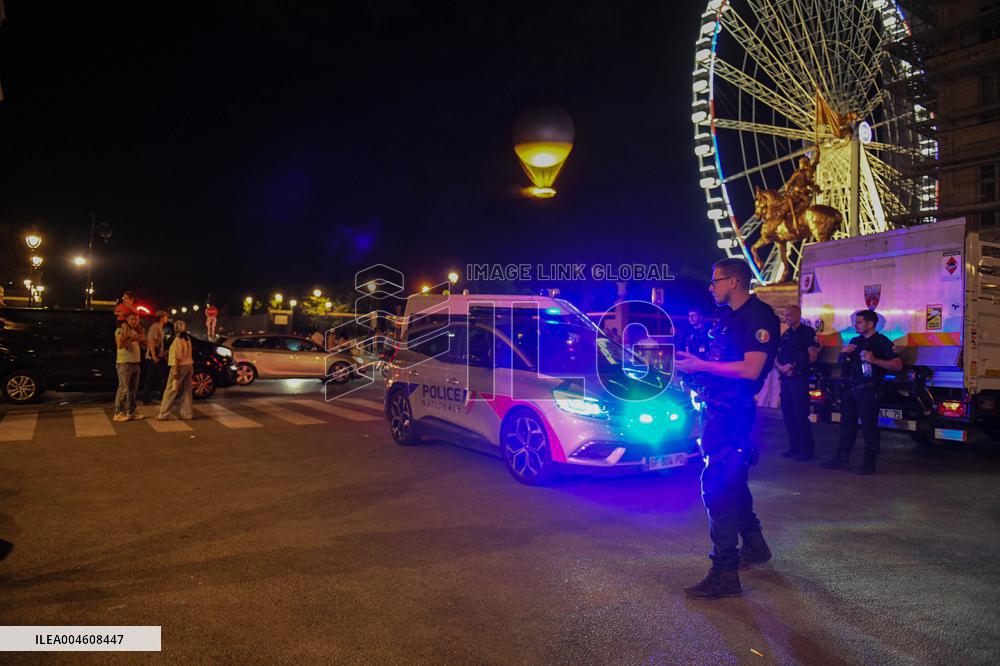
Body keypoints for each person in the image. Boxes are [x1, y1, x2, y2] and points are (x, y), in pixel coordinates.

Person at [674, 258, 779, 599]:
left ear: (733, 281)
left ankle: (724, 572)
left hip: (732, 414)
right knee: (733, 481)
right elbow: (718, 363)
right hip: (715, 410)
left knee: (717, 486)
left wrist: (701, 364)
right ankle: (756, 545)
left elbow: (751, 369)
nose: (711, 287)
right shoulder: (726, 318)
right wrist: (690, 368)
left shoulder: (759, 316)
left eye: (715, 281)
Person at [821, 310, 901, 475]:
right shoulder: (855, 341)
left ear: (870, 324)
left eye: (859, 322)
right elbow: (844, 366)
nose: (855, 325)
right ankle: (842, 459)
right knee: (847, 427)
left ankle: (869, 463)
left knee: (869, 428)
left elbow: (897, 365)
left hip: (868, 391)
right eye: (855, 322)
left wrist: (874, 360)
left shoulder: (881, 342)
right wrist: (843, 355)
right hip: (850, 390)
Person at [776, 305, 821, 460]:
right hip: (786, 379)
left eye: (789, 315)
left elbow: (812, 356)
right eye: (785, 315)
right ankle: (794, 447)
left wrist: (793, 365)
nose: (786, 317)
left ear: (798, 315)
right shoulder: (786, 335)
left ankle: (807, 450)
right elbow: (777, 356)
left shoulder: (807, 332)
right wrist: (781, 368)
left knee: (800, 415)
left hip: (799, 378)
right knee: (788, 414)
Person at [158, 320, 194, 420]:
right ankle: (187, 414)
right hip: (189, 365)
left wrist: (175, 371)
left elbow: (177, 357)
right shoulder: (187, 339)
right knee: (187, 390)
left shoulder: (177, 340)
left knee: (170, 390)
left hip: (179, 366)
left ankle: (164, 414)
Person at [114, 312, 146, 422]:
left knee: (133, 390)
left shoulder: (135, 331)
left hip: (135, 363)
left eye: (136, 319)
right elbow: (120, 345)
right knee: (123, 388)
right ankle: (118, 413)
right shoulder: (120, 330)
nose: (134, 321)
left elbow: (143, 345)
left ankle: (131, 411)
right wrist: (133, 339)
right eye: (132, 319)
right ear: (126, 319)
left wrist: (142, 340)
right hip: (124, 363)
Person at [141, 310, 169, 405]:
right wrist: (154, 356)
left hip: (158, 356)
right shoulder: (155, 327)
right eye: (165, 316)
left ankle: (149, 397)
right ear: (161, 318)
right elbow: (152, 342)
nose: (167, 318)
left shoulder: (159, 327)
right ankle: (148, 397)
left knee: (154, 376)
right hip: (153, 357)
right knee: (155, 376)